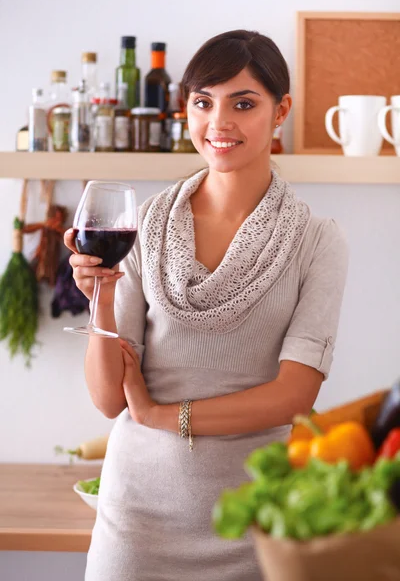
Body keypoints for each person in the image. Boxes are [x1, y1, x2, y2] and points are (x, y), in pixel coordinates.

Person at [65, 29, 348, 581]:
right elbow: (105, 399)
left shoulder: (318, 240)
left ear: (280, 110)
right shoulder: (146, 223)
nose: (218, 123)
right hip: (136, 523)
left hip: (253, 521)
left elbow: (293, 395)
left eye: (243, 103)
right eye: (203, 102)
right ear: (186, 110)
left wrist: (158, 415)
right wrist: (100, 296)